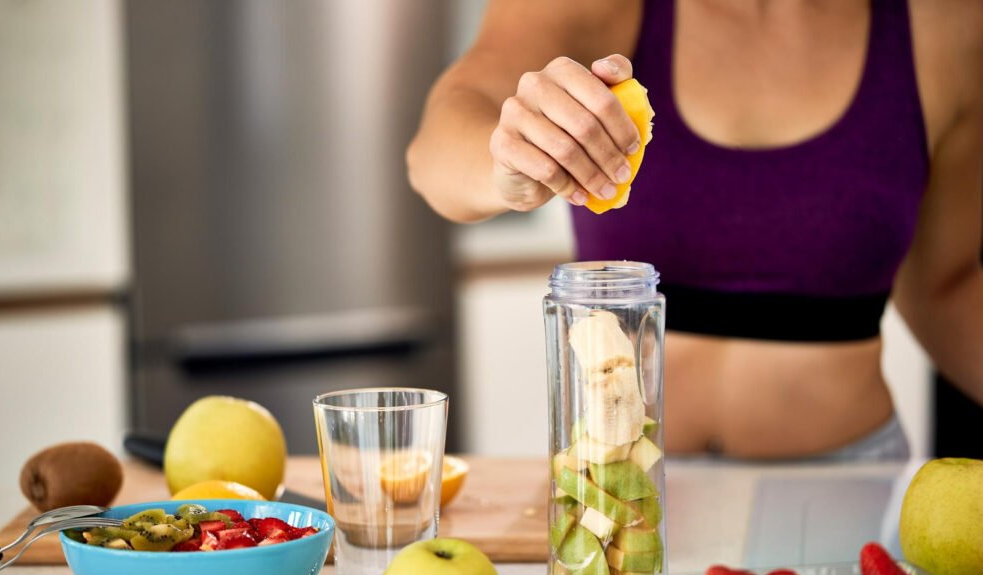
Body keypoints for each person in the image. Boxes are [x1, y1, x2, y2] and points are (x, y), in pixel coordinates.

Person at [406, 0, 982, 461]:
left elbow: (945, 286)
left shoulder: (946, 24)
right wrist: (505, 167)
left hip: (850, 486)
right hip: (621, 487)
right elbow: (436, 148)